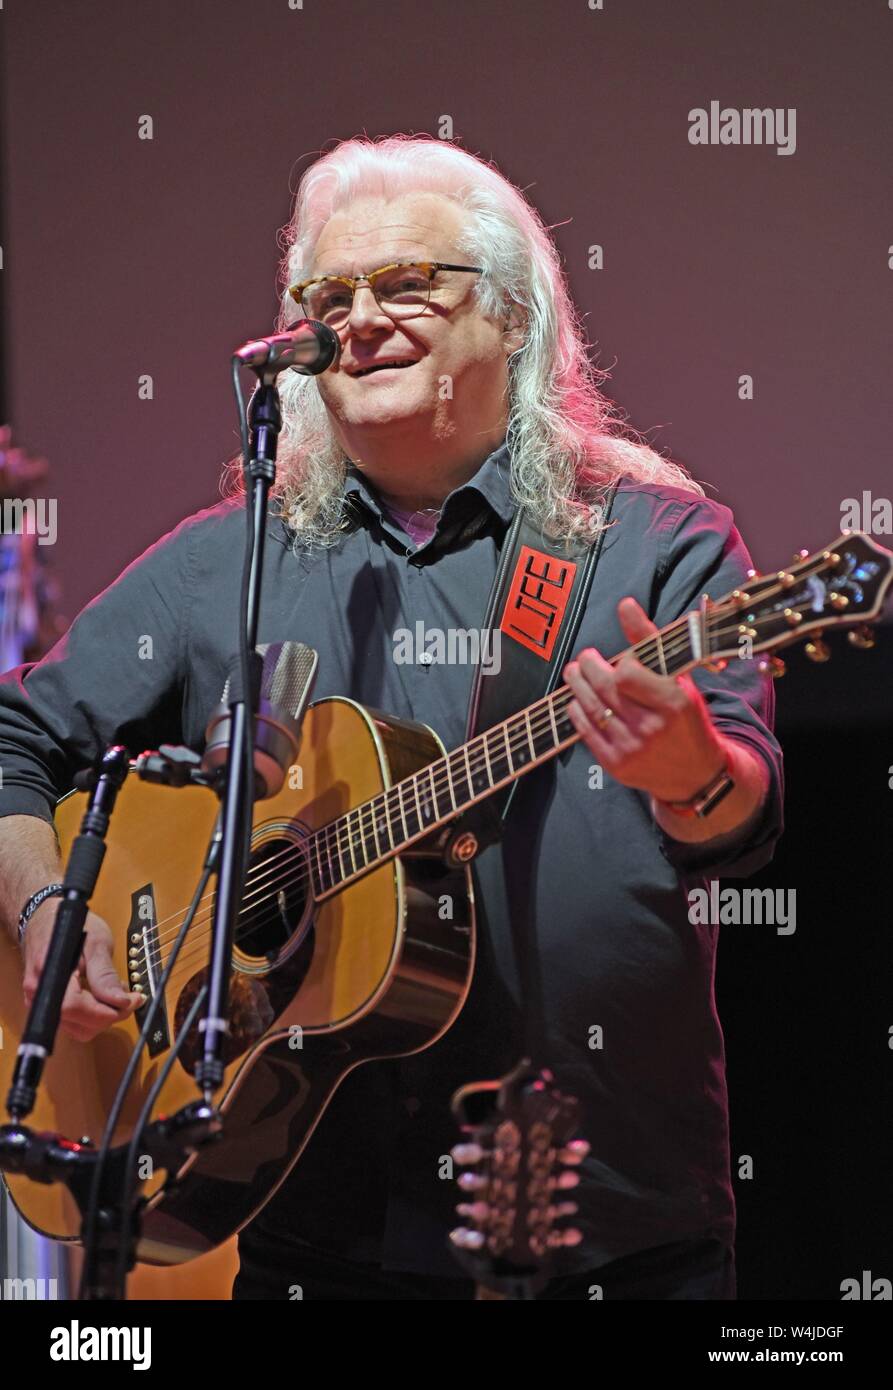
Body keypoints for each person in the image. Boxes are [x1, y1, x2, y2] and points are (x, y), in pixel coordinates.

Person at [0, 135, 782, 1300]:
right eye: (327, 295)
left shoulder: (651, 542)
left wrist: (688, 767)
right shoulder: (231, 560)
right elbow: (18, 736)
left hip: (602, 1214)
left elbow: (737, 813)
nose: (357, 319)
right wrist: (50, 915)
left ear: (513, 320)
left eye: (407, 283)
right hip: (312, 1218)